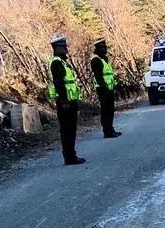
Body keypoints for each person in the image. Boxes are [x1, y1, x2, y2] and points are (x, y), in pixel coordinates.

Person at [48, 36, 85, 165]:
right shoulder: (56, 62)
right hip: (65, 103)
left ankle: (71, 154)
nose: (66, 49)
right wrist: (64, 102)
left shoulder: (63, 63)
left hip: (70, 101)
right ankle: (69, 157)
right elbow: (59, 84)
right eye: (63, 47)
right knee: (67, 131)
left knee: (71, 130)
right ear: (57, 48)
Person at [90, 39, 121, 138]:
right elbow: (99, 77)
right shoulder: (96, 60)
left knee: (110, 111)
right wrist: (106, 89)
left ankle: (111, 129)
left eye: (105, 47)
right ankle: (107, 131)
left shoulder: (105, 59)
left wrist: (113, 88)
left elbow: (109, 75)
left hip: (109, 88)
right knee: (106, 111)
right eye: (102, 47)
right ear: (97, 49)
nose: (104, 49)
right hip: (103, 89)